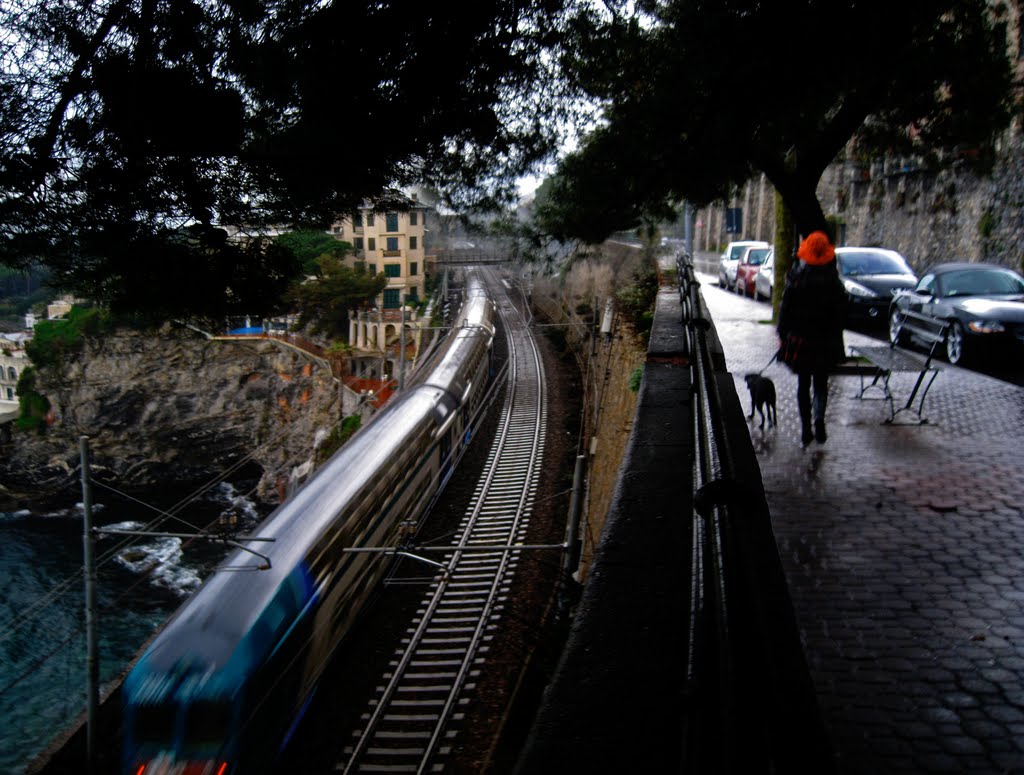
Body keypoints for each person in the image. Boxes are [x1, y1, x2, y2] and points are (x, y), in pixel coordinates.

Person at [777, 230, 847, 445]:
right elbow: (842, 312)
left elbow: (785, 311)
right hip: (825, 341)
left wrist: (783, 334)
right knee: (821, 384)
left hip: (801, 340)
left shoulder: (797, 279)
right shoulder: (834, 282)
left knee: (803, 384)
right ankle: (819, 419)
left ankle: (806, 427)